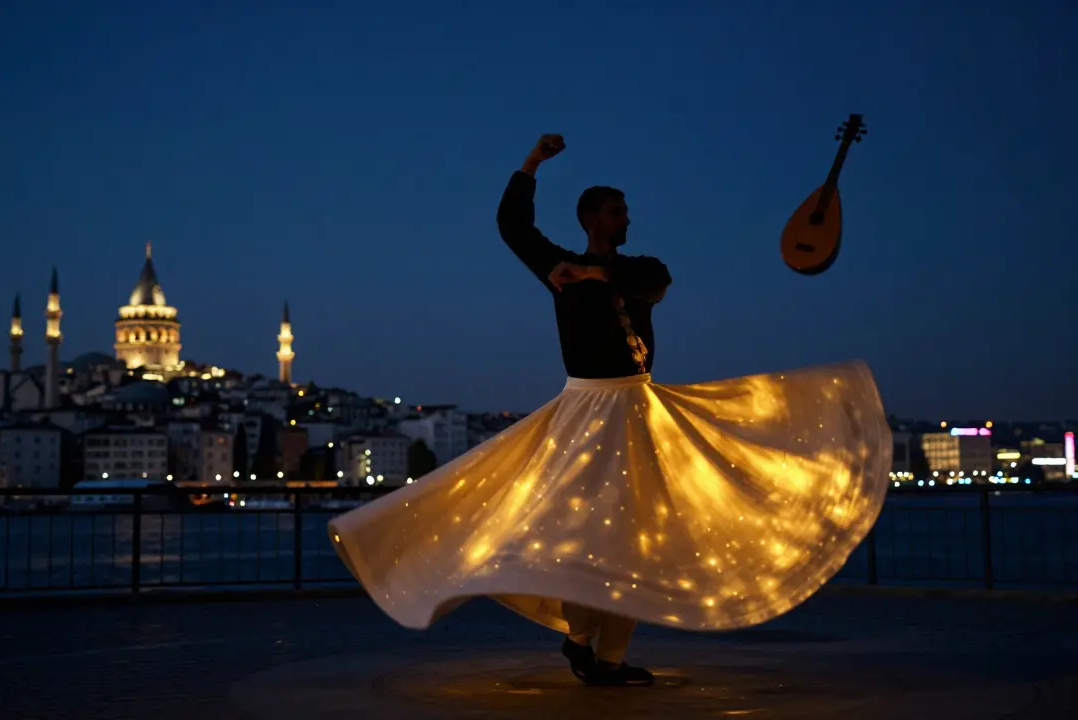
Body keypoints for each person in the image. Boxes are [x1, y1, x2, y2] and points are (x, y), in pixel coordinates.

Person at [329, 134, 892, 688]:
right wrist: (531, 164)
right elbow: (512, 227)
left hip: (639, 408)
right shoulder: (558, 266)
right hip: (587, 411)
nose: (627, 219)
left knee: (634, 541)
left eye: (625, 211)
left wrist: (595, 275)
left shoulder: (634, 269)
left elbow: (657, 280)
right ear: (594, 220)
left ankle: (605, 656)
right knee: (595, 539)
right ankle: (584, 642)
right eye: (618, 212)